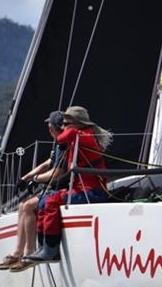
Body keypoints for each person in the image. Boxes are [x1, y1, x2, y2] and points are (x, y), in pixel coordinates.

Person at [22, 106, 112, 263]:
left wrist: (63, 131)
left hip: (92, 191)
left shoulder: (81, 135)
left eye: (66, 123)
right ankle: (43, 247)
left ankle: (51, 250)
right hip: (82, 189)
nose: (63, 127)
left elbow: (62, 137)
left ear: (75, 123)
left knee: (51, 201)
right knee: (45, 201)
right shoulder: (79, 136)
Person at [0, 111, 65, 270]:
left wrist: (36, 179)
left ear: (51, 128)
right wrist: (26, 177)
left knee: (28, 206)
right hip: (54, 185)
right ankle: (18, 253)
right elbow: (48, 163)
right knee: (22, 205)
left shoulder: (63, 144)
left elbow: (57, 172)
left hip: (61, 187)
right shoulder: (58, 144)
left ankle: (29, 252)